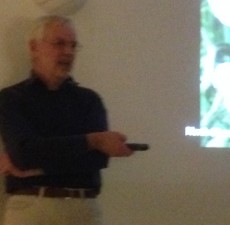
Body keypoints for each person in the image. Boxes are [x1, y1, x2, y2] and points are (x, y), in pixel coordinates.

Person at [0, 15, 133, 225]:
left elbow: (96, 160)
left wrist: (37, 167)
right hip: (32, 207)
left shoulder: (90, 100)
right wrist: (92, 141)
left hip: (83, 209)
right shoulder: (11, 98)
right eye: (59, 43)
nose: (68, 52)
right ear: (34, 47)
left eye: (73, 45)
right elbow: (23, 154)